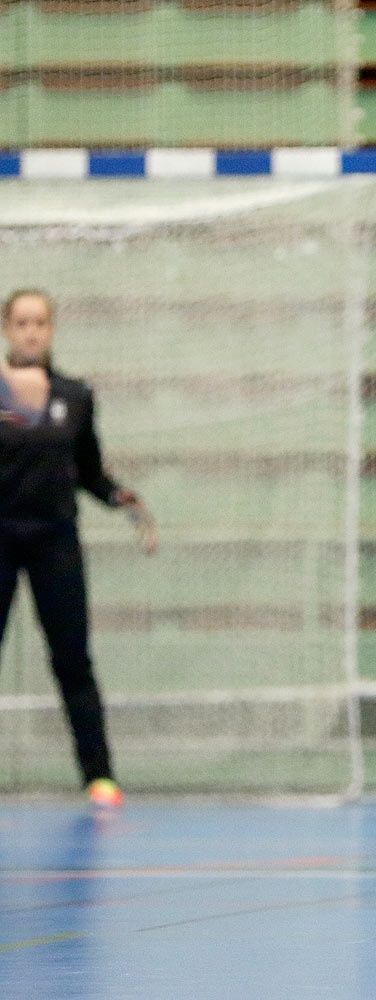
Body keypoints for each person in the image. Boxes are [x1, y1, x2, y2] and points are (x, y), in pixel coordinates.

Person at [0, 290, 156, 808]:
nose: (31, 331)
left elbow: (89, 471)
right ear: (6, 328)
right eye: (22, 322)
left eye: (40, 322)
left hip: (54, 543)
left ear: (52, 328)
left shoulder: (76, 394)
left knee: (73, 659)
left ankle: (99, 776)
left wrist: (121, 498)